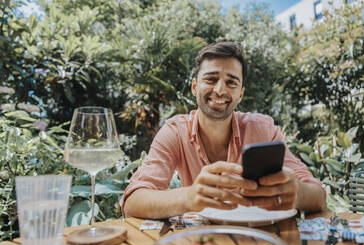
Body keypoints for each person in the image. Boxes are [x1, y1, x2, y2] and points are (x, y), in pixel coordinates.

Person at [123, 42, 326, 219]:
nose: (220, 90)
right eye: (211, 79)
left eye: (231, 82)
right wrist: (190, 196)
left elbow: (318, 196)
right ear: (194, 87)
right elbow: (133, 202)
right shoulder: (175, 131)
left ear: (240, 94)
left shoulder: (263, 130)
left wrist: (296, 192)